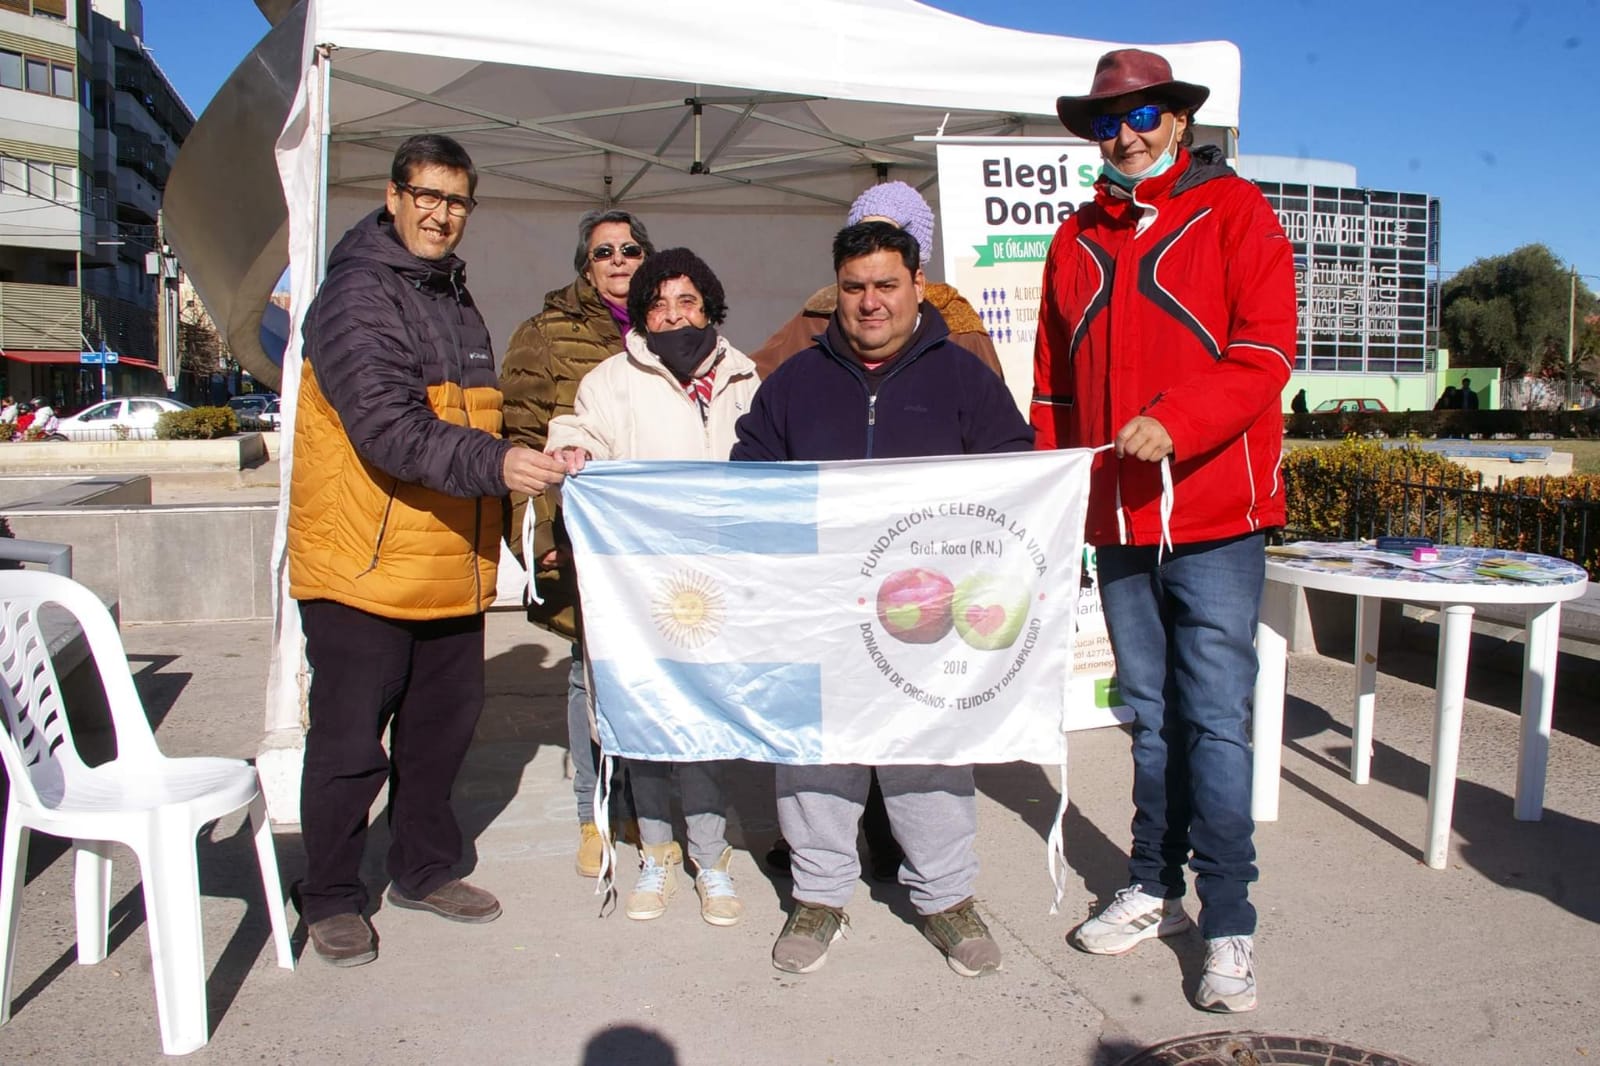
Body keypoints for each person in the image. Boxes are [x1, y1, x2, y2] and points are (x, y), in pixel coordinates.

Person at [1036, 49, 1297, 1013]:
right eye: (1108, 122)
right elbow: (1055, 392)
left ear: (1179, 122)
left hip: (1218, 514)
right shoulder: (1074, 240)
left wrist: (1177, 421)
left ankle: (1229, 920)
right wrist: (1057, 501)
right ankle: (1155, 886)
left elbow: (1265, 351)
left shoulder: (1237, 215)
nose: (1127, 135)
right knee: (1147, 715)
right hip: (1119, 522)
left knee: (1216, 720)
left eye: (1143, 116)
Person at [287, 134, 567, 967]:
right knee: (346, 746)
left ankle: (423, 867)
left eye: (457, 201)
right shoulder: (356, 296)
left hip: (448, 559)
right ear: (394, 194)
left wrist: (547, 448)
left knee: (439, 734)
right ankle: (331, 894)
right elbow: (389, 429)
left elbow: (478, 414)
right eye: (428, 196)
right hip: (362, 567)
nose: (442, 214)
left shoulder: (451, 295)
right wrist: (500, 465)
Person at [733, 221, 1034, 978]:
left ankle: (945, 897)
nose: (871, 302)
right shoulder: (795, 380)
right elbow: (750, 472)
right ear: (837, 291)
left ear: (917, 288)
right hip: (822, 605)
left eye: (886, 285)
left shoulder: (963, 377)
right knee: (816, 754)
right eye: (855, 287)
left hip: (926, 613)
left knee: (927, 753)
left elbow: (1013, 469)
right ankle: (819, 894)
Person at [549, 248, 759, 927]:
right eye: (658, 305)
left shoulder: (743, 376)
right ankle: (656, 852)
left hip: (717, 587)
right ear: (640, 314)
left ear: (710, 307)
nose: (673, 316)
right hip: (640, 590)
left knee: (703, 722)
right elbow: (576, 430)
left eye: (687, 302)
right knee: (643, 724)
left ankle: (711, 857)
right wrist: (571, 449)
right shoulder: (611, 380)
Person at [500, 208, 655, 878]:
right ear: (584, 265)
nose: (618, 260)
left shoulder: (674, 323)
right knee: (586, 674)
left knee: (655, 674)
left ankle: (651, 812)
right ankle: (593, 814)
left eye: (630, 248)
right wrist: (536, 535)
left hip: (655, 542)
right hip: (580, 535)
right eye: (603, 252)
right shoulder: (543, 335)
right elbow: (518, 439)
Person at [748, 181, 1002, 382]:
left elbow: (993, 429)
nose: (870, 302)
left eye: (886, 286)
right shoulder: (818, 316)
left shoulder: (958, 324)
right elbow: (754, 380)